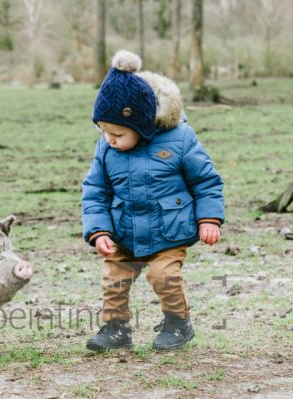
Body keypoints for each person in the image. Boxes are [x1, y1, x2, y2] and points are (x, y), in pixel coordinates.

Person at [81, 50, 225, 351]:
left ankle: (177, 323)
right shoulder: (106, 149)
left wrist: (209, 219)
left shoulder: (180, 139)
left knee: (164, 276)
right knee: (114, 278)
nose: (110, 139)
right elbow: (95, 191)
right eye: (104, 131)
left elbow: (206, 181)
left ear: (142, 124)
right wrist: (99, 231)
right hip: (123, 232)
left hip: (169, 231)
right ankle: (115, 328)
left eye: (117, 133)